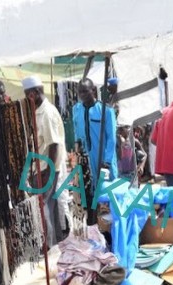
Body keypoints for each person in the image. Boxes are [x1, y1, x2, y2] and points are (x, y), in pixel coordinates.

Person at [22, 76, 68, 246]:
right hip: (40, 166)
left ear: (34, 93)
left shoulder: (47, 113)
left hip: (45, 167)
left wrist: (48, 171)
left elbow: (54, 144)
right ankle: (55, 242)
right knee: (49, 206)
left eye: (27, 95)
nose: (27, 99)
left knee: (43, 208)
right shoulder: (39, 110)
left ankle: (48, 245)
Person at [73, 78, 118, 188]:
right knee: (88, 192)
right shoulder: (76, 109)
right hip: (86, 158)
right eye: (80, 92)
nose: (82, 95)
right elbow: (76, 133)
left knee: (107, 193)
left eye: (85, 91)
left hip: (103, 158)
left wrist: (107, 161)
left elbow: (111, 138)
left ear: (93, 90)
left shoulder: (106, 111)